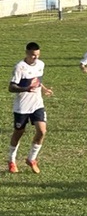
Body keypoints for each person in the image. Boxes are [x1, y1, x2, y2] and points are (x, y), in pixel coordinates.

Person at [8, 42, 53, 173]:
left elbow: (37, 80)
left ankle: (31, 159)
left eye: (38, 55)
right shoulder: (19, 67)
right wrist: (26, 89)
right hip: (22, 107)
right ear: (27, 53)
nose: (36, 58)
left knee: (42, 131)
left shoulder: (41, 64)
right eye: (33, 55)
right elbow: (11, 87)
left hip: (37, 105)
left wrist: (44, 89)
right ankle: (11, 160)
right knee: (18, 133)